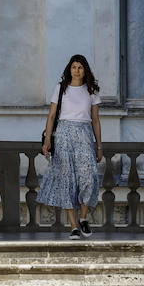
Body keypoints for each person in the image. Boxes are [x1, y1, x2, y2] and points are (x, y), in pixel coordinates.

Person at [39, 54, 103, 239]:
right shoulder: (61, 88)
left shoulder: (91, 90)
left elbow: (96, 120)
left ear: (85, 70)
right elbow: (51, 116)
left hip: (84, 133)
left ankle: (83, 217)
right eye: (74, 67)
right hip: (64, 134)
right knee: (66, 179)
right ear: (69, 69)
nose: (76, 70)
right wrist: (47, 139)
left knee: (88, 177)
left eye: (80, 67)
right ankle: (73, 225)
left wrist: (99, 146)